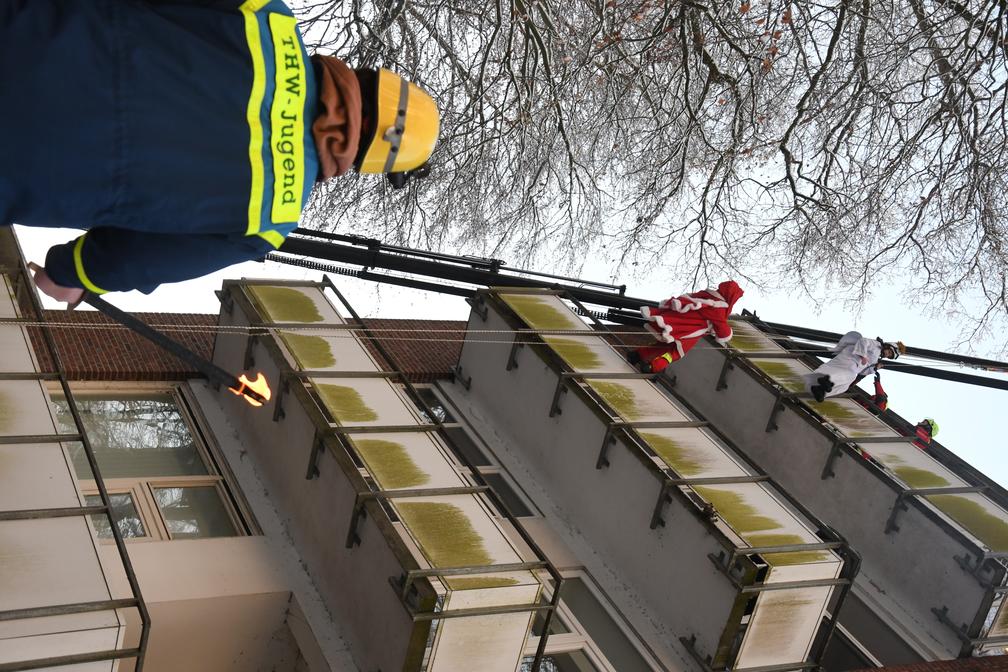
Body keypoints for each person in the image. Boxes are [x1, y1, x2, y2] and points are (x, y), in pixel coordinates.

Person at [2, 1, 439, 302]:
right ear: (367, 161)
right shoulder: (270, 218)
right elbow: (136, 259)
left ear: (364, 77)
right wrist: (71, 273)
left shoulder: (267, 18)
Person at [628, 280, 744, 373]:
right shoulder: (718, 307)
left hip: (680, 325)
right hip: (690, 331)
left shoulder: (706, 296)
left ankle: (636, 355)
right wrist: (729, 332)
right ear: (732, 297)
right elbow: (723, 332)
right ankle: (652, 367)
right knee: (677, 352)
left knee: (662, 345)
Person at [804, 333, 905, 402]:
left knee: (844, 386)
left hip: (850, 363)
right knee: (849, 375)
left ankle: (820, 390)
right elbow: (863, 341)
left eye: (889, 356)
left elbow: (863, 371)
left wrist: (874, 368)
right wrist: (863, 355)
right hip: (851, 359)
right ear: (888, 346)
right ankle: (826, 380)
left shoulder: (876, 358)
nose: (887, 355)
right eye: (889, 352)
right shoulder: (877, 345)